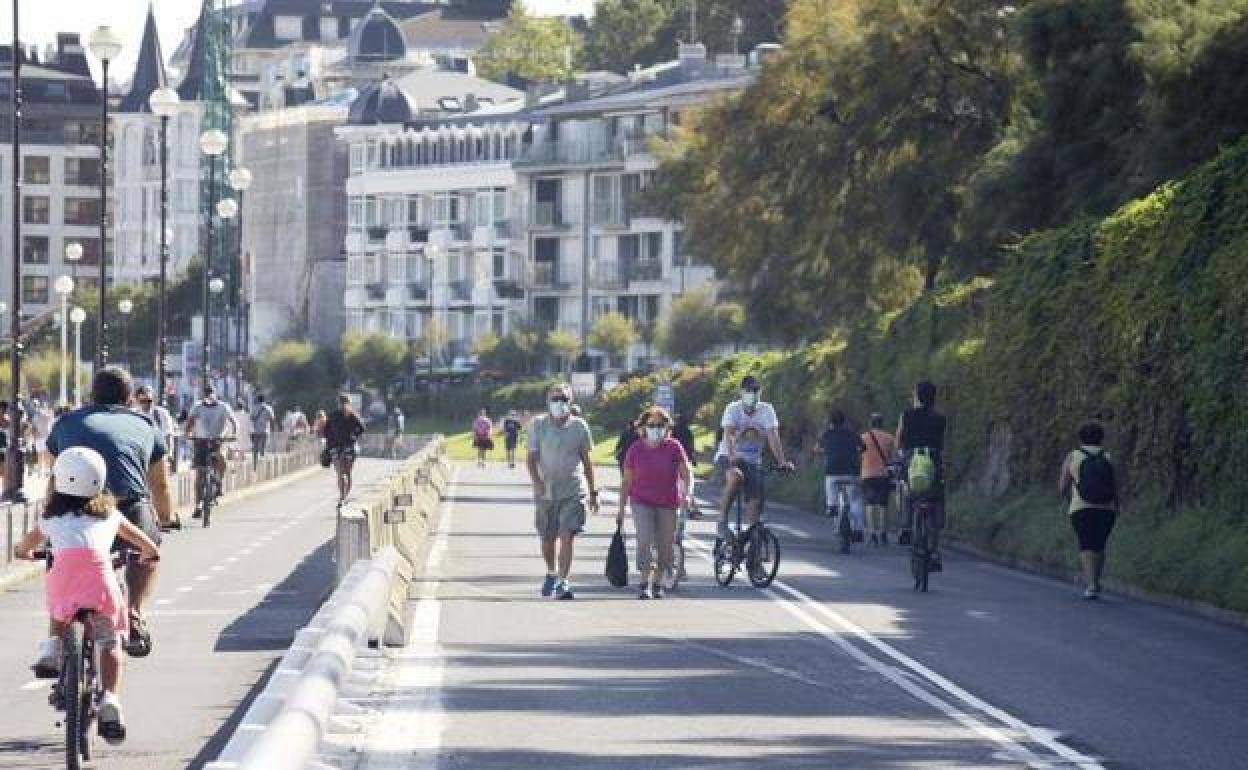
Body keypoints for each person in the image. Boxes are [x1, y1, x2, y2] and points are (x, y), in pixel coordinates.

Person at [15, 447, 160, 744]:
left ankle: (52, 649)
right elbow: (145, 543)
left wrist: (26, 553)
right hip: (100, 583)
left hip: (64, 580)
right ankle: (110, 698)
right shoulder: (110, 515)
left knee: (60, 610)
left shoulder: (51, 518)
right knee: (110, 640)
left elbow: (23, 547)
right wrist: (150, 554)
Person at [43, 367, 175, 663]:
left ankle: (55, 636)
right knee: (148, 552)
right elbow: (160, 485)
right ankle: (135, 612)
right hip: (127, 509)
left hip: (74, 509)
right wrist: (167, 518)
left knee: (56, 557)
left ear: (91, 396)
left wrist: (48, 520)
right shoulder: (145, 425)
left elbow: (53, 474)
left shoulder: (66, 423)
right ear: (130, 399)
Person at [526, 383, 598, 600]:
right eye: (555, 399)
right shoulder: (538, 425)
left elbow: (587, 461)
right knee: (548, 539)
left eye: (564, 399)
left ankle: (563, 581)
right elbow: (531, 459)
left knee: (567, 535)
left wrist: (593, 492)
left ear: (571, 401)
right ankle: (551, 571)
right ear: (548, 401)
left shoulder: (579, 426)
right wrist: (537, 482)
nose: (560, 403)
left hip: (573, 490)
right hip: (547, 492)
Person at [618, 407, 693, 599]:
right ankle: (644, 583)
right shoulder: (635, 450)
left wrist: (687, 494)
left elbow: (687, 473)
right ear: (643, 427)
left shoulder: (674, 447)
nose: (656, 429)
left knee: (665, 544)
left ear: (667, 427)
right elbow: (626, 481)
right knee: (644, 539)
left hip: (668, 502)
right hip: (641, 501)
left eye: (660, 425)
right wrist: (621, 509)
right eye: (651, 425)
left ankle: (658, 582)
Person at [716, 375, 795, 539]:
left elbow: (773, 436)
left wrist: (782, 461)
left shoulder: (766, 410)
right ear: (741, 392)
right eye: (748, 390)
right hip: (728, 457)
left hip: (752, 461)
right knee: (736, 477)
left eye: (755, 390)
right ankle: (722, 520)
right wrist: (732, 455)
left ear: (760, 391)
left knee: (756, 499)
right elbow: (729, 434)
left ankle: (753, 541)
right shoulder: (733, 409)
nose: (752, 393)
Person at [1059, 422, 1119, 600]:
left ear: (1080, 438)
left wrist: (1065, 498)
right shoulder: (1108, 457)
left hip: (1081, 507)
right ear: (1101, 438)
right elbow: (1115, 485)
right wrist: (1117, 505)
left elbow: (1063, 485)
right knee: (1099, 545)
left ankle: (1091, 584)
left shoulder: (1073, 456)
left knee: (1086, 543)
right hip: (1107, 508)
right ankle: (1096, 580)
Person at [896, 381, 947, 567]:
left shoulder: (906, 415)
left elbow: (899, 441)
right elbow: (942, 443)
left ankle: (906, 526)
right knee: (937, 495)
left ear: (917, 396)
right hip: (933, 460)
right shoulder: (940, 418)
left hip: (911, 459)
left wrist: (900, 454)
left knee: (905, 489)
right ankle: (935, 550)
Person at [184, 384, 238, 517]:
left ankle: (219, 482)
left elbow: (233, 421)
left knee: (221, 458)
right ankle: (197, 506)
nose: (209, 395)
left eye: (211, 392)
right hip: (201, 441)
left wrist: (234, 434)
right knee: (199, 476)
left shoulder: (223, 407)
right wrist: (188, 433)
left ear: (215, 394)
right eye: (206, 393)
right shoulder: (197, 406)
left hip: (218, 440)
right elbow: (190, 422)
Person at [816, 409, 866, 542]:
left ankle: (832, 505)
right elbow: (863, 447)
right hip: (851, 471)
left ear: (830, 422)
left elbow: (817, 448)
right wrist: (855, 451)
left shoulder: (826, 434)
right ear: (844, 421)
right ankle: (858, 530)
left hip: (833, 470)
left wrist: (824, 451)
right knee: (855, 500)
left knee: (830, 484)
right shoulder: (852, 434)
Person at [133, 386, 177, 520]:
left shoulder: (161, 414)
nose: (146, 404)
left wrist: (169, 454)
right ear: (136, 400)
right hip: (141, 454)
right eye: (143, 401)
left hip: (157, 454)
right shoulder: (132, 414)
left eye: (149, 401)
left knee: (161, 486)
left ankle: (166, 516)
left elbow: (168, 435)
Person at [861, 413, 897, 546]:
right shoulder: (889, 438)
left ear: (871, 423)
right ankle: (883, 533)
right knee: (883, 504)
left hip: (867, 474)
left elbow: (859, 454)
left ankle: (872, 533)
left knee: (869, 504)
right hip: (883, 475)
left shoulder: (863, 437)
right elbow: (893, 457)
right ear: (882, 423)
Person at [322, 395, 365, 505]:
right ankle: (345, 495)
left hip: (336, 447)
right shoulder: (352, 415)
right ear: (349, 403)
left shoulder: (333, 415)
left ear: (338, 403)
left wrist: (331, 441)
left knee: (340, 473)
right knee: (347, 473)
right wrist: (353, 436)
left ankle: (342, 496)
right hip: (349, 446)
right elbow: (362, 428)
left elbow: (325, 432)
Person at [670, 413, 702, 518]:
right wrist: (693, 459)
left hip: (674, 461)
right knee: (688, 484)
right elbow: (691, 447)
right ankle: (690, 507)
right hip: (686, 460)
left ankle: (688, 507)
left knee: (678, 484)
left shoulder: (673, 431)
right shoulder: (688, 432)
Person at [250, 393, 277, 469]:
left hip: (256, 431)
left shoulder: (254, 407)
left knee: (255, 450)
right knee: (263, 449)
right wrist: (273, 430)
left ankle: (255, 466)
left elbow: (251, 418)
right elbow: (272, 419)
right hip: (265, 431)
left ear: (258, 399)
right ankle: (262, 467)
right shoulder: (269, 408)